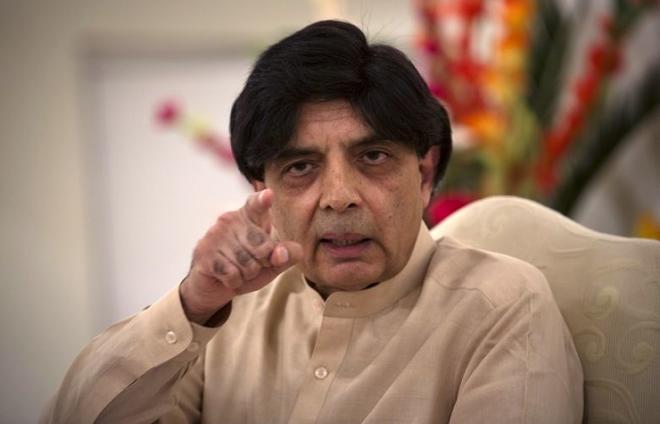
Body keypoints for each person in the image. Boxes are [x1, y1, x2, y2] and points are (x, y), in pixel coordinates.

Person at [43, 20, 583, 423]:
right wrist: (192, 302)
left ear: (424, 173)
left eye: (373, 157)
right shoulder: (225, 314)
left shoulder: (501, 308)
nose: (339, 198)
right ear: (262, 193)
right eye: (301, 167)